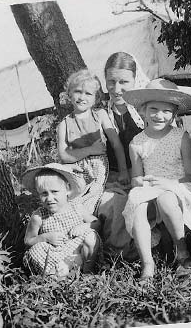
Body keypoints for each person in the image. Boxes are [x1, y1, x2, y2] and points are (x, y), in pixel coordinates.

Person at [122, 79, 191, 279]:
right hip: (151, 187)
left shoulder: (181, 137)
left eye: (166, 111)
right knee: (137, 205)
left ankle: (182, 252)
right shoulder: (137, 143)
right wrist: (140, 182)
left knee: (166, 198)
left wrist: (170, 185)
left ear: (174, 114)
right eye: (153, 109)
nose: (159, 115)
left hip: (180, 186)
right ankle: (148, 264)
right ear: (142, 111)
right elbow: (136, 177)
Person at [56, 69, 129, 215]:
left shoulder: (100, 115)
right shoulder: (64, 124)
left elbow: (116, 143)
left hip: (101, 170)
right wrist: (90, 150)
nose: (82, 97)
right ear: (69, 94)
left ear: (95, 98)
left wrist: (123, 171)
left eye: (88, 93)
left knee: (107, 199)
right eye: (78, 91)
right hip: (78, 173)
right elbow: (63, 155)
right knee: (77, 205)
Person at [96, 52, 147, 259]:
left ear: (136, 79)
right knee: (112, 204)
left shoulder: (146, 110)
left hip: (145, 174)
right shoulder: (100, 114)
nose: (117, 89)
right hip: (115, 178)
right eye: (111, 82)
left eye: (124, 82)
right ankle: (120, 255)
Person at [22, 164, 101, 277]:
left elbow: (97, 223)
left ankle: (87, 272)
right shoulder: (38, 216)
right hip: (54, 255)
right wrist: (45, 237)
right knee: (36, 249)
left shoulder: (77, 208)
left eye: (54, 191)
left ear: (67, 189)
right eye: (44, 193)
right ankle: (55, 276)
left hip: (76, 251)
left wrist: (84, 226)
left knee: (91, 236)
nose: (49, 198)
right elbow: (28, 240)